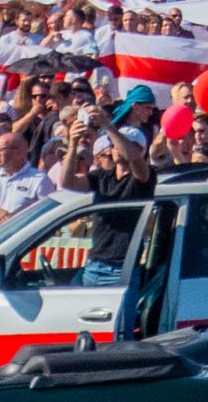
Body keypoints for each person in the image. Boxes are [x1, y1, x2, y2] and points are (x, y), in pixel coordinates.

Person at [58, 105, 155, 286]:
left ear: (140, 149)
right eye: (112, 144)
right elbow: (66, 183)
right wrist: (72, 143)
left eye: (122, 143)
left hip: (122, 269)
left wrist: (108, 126)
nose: (115, 148)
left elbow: (134, 160)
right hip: (94, 263)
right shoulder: (101, 177)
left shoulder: (145, 177)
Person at [0, 133, 54, 231]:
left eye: (1, 150)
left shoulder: (40, 180)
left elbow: (49, 216)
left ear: (19, 152)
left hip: (21, 242)